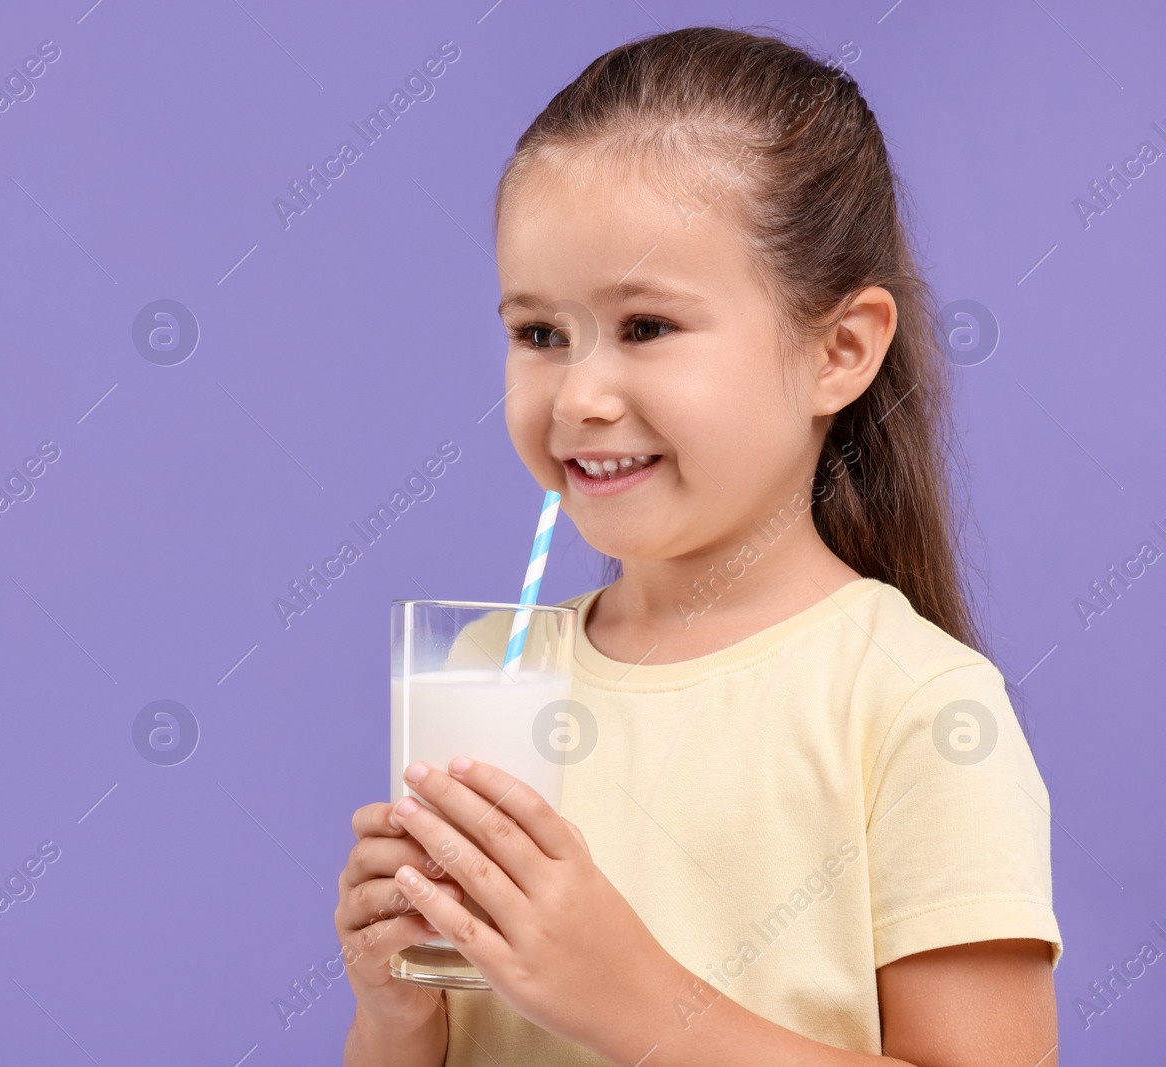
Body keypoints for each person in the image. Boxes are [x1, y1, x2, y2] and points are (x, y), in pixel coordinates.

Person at [334, 24, 1061, 1067]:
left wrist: (638, 1005)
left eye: (645, 327)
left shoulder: (914, 706)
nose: (579, 396)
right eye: (540, 333)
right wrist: (396, 1015)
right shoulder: (487, 677)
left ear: (838, 350)